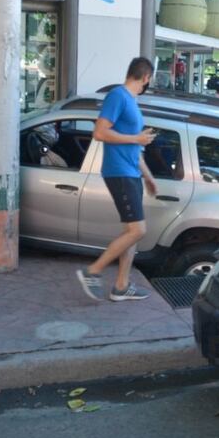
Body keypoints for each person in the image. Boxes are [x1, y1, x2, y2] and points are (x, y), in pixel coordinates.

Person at [76, 57, 158, 302]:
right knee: (138, 230)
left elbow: (136, 146)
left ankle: (121, 286)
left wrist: (149, 177)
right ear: (146, 77)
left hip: (131, 172)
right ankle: (92, 271)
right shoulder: (118, 96)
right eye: (149, 80)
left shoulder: (131, 101)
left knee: (130, 232)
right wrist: (136, 139)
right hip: (119, 172)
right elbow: (99, 132)